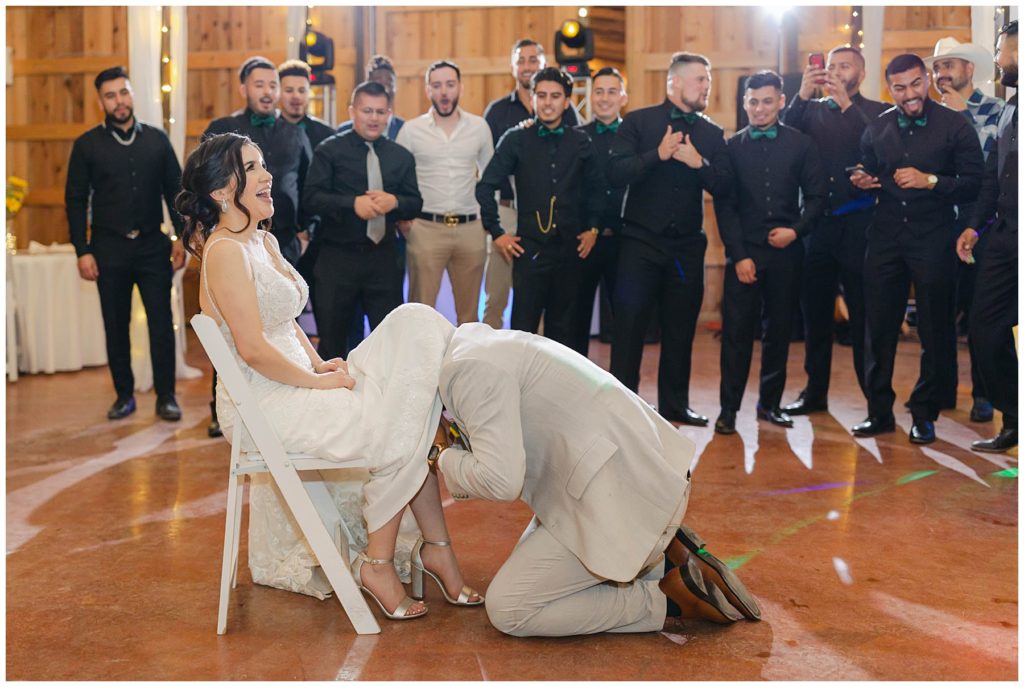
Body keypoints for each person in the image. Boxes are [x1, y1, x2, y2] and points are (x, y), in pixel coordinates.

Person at [176, 132, 479, 620]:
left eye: (262, 165)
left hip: (294, 375)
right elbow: (252, 349)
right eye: (252, 168)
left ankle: (426, 549)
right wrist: (314, 382)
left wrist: (319, 363)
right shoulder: (225, 252)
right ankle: (387, 561)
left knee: (416, 323)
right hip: (263, 402)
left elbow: (284, 321)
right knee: (403, 418)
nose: (267, 176)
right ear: (219, 191)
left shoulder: (261, 239)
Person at [433, 322, 761, 636]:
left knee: (511, 606)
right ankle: (668, 554)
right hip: (638, 468)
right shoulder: (481, 343)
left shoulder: (466, 373)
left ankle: (667, 598)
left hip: (619, 491)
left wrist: (440, 456)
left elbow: (501, 481)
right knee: (535, 568)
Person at [849, 54, 984, 444]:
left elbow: (974, 183)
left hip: (935, 238)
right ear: (889, 88)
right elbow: (867, 166)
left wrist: (931, 181)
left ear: (926, 80)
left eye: (914, 84)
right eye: (899, 87)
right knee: (879, 327)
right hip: (885, 238)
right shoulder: (877, 127)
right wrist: (861, 179)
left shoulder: (956, 126)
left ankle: (924, 413)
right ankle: (878, 412)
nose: (909, 94)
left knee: (936, 329)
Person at [606, 52, 733, 427]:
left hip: (687, 248)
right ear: (674, 82)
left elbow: (726, 185)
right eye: (699, 80)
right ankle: (621, 407)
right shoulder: (639, 122)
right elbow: (614, 172)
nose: (706, 87)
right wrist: (657, 155)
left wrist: (700, 164)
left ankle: (675, 406)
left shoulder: (711, 133)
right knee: (628, 329)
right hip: (640, 244)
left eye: (708, 81)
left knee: (681, 330)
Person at [65, 66, 185, 422]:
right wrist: (82, 250)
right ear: (101, 101)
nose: (119, 101)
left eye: (124, 92)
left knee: (161, 324)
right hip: (108, 248)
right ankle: (124, 396)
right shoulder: (87, 145)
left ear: (132, 94)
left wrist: (179, 237)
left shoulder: (157, 140)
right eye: (111, 95)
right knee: (115, 325)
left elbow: (174, 190)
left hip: (153, 246)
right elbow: (75, 199)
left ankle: (166, 397)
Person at [714, 70, 826, 434]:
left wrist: (795, 230)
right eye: (752, 102)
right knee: (735, 335)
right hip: (744, 255)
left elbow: (816, 197)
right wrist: (739, 254)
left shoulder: (802, 144)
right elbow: (725, 206)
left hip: (786, 253)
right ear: (744, 103)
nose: (759, 109)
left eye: (766, 101)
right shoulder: (730, 148)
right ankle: (728, 410)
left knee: (779, 332)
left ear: (780, 101)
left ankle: (770, 404)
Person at [781, 47, 887, 416]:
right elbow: (782, 136)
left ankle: (874, 399)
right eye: (831, 67)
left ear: (861, 71)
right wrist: (802, 95)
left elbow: (878, 144)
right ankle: (814, 393)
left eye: (845, 66)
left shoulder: (874, 111)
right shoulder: (809, 111)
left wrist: (846, 106)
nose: (836, 72)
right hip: (817, 226)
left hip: (860, 226)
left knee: (863, 316)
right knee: (815, 315)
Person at [475, 67, 605, 347]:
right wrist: (497, 233)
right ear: (532, 99)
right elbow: (485, 186)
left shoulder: (581, 141)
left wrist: (593, 228)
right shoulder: (515, 138)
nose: (548, 102)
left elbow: (598, 191)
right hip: (529, 251)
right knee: (523, 333)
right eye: (542, 95)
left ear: (566, 101)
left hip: (570, 253)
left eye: (555, 96)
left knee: (564, 334)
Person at [302, 81, 422, 360]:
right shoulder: (328, 151)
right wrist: (351, 204)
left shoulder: (400, 156)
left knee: (390, 343)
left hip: (383, 260)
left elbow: (415, 202)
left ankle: (383, 402)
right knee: (333, 342)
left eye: (380, 112)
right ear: (352, 111)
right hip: (336, 258)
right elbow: (311, 199)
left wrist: (396, 202)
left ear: (389, 114)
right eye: (367, 110)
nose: (374, 118)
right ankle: (334, 402)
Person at [925, 37, 1006, 420]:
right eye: (937, 68)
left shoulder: (997, 110)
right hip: (939, 225)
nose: (941, 74)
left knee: (980, 314)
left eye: (949, 66)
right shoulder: (927, 115)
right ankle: (940, 391)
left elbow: (994, 164)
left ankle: (984, 394)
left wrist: (962, 119)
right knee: (938, 311)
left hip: (981, 226)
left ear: (969, 70)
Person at [481, 39, 581, 329]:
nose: (527, 65)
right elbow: (490, 169)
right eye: (521, 60)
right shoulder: (497, 112)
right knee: (496, 296)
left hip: (545, 218)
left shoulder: (566, 113)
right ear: (513, 67)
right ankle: (493, 363)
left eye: (533, 59)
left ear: (543, 64)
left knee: (536, 297)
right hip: (508, 210)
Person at [955, 20, 1018, 453]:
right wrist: (974, 228)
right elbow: (992, 182)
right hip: (1005, 238)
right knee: (984, 328)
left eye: (1002, 50)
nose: (998, 59)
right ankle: (1014, 416)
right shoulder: (1011, 109)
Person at [395, 60, 494, 325]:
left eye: (450, 85)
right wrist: (404, 221)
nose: (444, 92)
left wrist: (487, 221)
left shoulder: (479, 128)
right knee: (419, 313)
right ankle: (418, 367)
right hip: (426, 229)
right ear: (428, 90)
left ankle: (466, 367)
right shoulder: (411, 131)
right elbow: (398, 179)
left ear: (460, 87)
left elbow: (491, 178)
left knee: (470, 316)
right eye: (437, 86)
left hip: (470, 228)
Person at [203, 56, 308, 266]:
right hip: (237, 238)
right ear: (244, 90)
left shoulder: (295, 133)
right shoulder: (222, 129)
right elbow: (206, 180)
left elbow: (308, 182)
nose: (267, 92)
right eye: (259, 85)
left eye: (273, 85)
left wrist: (305, 233)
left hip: (286, 241)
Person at [337, 55, 405, 353]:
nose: (382, 88)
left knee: (389, 317)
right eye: (376, 84)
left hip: (392, 237)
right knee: (349, 320)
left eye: (387, 87)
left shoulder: (405, 131)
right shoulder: (341, 135)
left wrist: (399, 205)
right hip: (349, 239)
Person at [571, 66, 629, 357]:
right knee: (576, 319)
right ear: (591, 97)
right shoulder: (575, 136)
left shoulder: (635, 136)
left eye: (612, 91)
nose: (605, 98)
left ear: (623, 97)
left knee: (626, 320)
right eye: (599, 91)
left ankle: (623, 390)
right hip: (584, 241)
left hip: (625, 241)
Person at [277, 58, 337, 318]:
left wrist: (311, 230)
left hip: (322, 237)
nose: (296, 97)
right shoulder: (270, 133)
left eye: (302, 90)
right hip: (282, 238)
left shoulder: (326, 134)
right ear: (279, 92)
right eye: (289, 90)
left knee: (327, 312)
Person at [337, 55, 405, 140]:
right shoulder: (344, 130)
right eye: (378, 84)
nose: (385, 89)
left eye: (389, 83)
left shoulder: (404, 129)